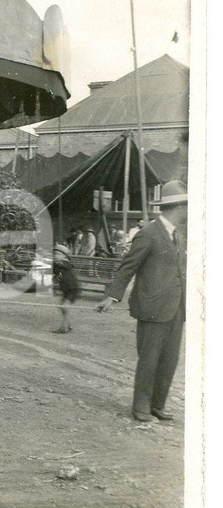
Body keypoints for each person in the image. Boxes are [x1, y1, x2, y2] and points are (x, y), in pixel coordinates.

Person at [96, 180, 188, 422]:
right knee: (150, 359)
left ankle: (157, 405)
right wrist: (112, 297)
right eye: (186, 206)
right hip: (153, 308)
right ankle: (141, 408)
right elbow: (128, 267)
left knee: (170, 359)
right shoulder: (148, 233)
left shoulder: (177, 235)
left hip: (176, 308)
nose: (189, 211)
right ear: (178, 207)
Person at [52, 243, 81, 334]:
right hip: (66, 290)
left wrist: (55, 263)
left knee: (64, 307)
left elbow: (64, 265)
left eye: (58, 254)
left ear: (65, 256)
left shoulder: (66, 263)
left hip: (73, 289)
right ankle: (68, 325)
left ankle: (63, 328)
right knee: (63, 307)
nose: (56, 256)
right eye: (55, 254)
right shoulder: (57, 266)